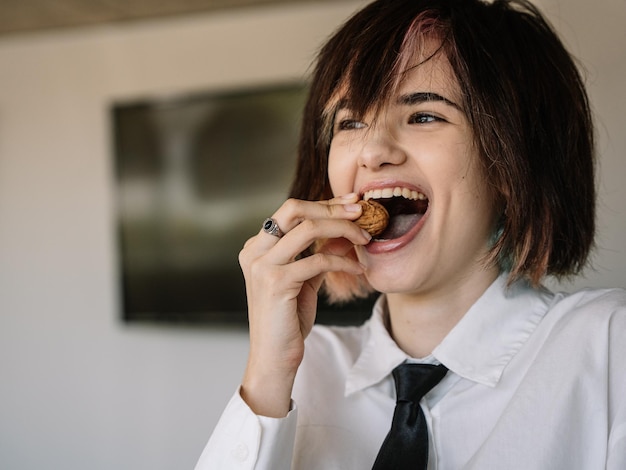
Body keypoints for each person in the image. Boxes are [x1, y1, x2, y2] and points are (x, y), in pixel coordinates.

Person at [194, 0, 626, 468]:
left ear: (512, 164)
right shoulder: (305, 364)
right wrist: (265, 377)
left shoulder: (607, 349)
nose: (372, 151)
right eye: (350, 121)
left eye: (424, 115)